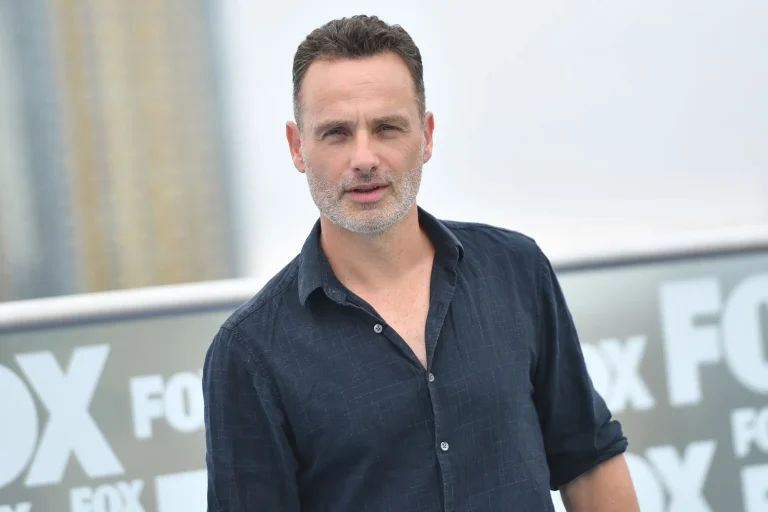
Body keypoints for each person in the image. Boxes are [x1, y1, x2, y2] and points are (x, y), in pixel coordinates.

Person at [202, 14, 639, 512]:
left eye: (386, 128)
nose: (364, 158)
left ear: (426, 136)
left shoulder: (516, 270)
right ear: (297, 147)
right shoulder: (250, 352)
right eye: (336, 133)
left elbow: (589, 462)